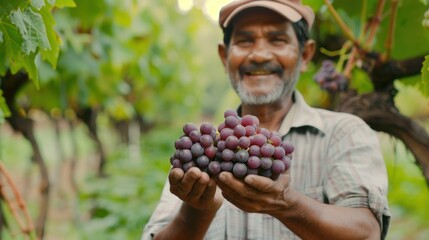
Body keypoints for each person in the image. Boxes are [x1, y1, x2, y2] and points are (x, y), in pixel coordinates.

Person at [142, 0, 391, 239]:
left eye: (278, 39)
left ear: (305, 55)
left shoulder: (345, 132)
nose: (259, 55)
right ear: (223, 56)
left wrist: (287, 204)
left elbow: (367, 233)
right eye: (244, 40)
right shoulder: (204, 152)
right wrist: (197, 211)